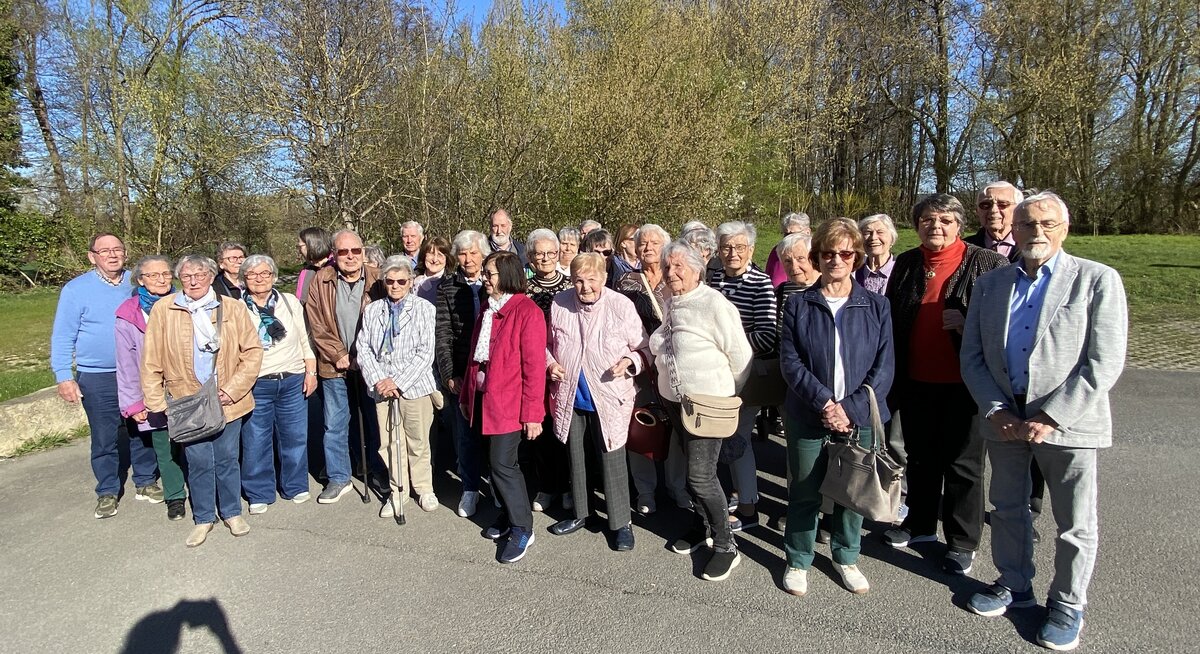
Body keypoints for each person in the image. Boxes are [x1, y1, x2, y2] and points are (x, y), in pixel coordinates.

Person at [960, 192, 1127, 651]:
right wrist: (996, 409)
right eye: (1028, 224)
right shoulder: (992, 285)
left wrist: (1052, 416)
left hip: (1069, 423)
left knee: (1074, 522)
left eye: (1047, 224)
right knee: (1009, 510)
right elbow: (972, 356)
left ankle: (1068, 603)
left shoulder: (1096, 280)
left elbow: (1104, 362)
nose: (1037, 233)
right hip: (1006, 420)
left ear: (1064, 228)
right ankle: (1014, 583)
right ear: (1013, 230)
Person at [883, 193, 1008, 575]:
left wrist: (966, 322)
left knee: (963, 465)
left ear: (958, 225)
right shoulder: (905, 263)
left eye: (944, 221)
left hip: (966, 384)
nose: (935, 227)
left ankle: (961, 540)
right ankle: (919, 524)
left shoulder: (988, 263)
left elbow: (1002, 325)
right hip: (916, 378)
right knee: (920, 457)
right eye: (926, 220)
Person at [778, 218, 894, 596]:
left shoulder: (876, 305)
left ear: (857, 258)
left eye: (845, 253)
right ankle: (798, 558)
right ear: (817, 258)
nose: (836, 260)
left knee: (851, 492)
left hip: (858, 415)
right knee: (805, 488)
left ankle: (846, 556)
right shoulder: (798, 304)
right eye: (828, 253)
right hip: (809, 414)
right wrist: (825, 403)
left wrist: (850, 407)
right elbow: (790, 362)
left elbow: (884, 365)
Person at [141, 254, 263, 547]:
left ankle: (232, 512)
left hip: (227, 399)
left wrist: (232, 389)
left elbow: (253, 351)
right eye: (186, 276)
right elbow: (151, 358)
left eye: (200, 275)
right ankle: (204, 517)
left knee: (227, 458)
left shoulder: (231, 308)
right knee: (197, 461)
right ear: (179, 279)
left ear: (211, 276)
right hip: (186, 401)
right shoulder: (164, 309)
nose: (193, 281)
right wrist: (156, 400)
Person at [650, 241, 752, 582]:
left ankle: (726, 545)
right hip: (676, 403)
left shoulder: (713, 304)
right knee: (693, 472)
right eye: (668, 267)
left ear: (697, 270)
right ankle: (701, 525)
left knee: (700, 476)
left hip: (707, 404)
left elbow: (740, 357)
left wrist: (725, 395)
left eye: (680, 266)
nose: (672, 272)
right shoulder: (671, 301)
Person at [51, 232, 161, 519]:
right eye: (105, 251)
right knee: (104, 435)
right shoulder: (76, 290)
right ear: (92, 256)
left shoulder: (137, 282)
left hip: (139, 370)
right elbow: (63, 335)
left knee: (143, 428)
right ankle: (108, 490)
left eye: (118, 250)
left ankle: (146, 481)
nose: (112, 255)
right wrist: (64, 376)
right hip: (98, 375)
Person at [545, 253, 647, 551]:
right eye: (578, 280)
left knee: (611, 458)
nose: (585, 287)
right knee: (575, 457)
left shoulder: (620, 305)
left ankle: (620, 524)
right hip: (571, 393)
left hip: (608, 394)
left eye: (591, 280)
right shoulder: (560, 303)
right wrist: (550, 364)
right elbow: (547, 345)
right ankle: (581, 513)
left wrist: (629, 360)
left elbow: (644, 348)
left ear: (604, 278)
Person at [459, 251, 547, 564]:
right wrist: (468, 398)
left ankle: (523, 527)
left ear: (507, 275)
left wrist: (533, 414)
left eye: (490, 274)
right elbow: (475, 355)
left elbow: (534, 367)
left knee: (503, 465)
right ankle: (508, 515)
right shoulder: (487, 307)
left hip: (509, 403)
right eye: (485, 273)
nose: (485, 278)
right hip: (484, 397)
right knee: (492, 463)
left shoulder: (527, 311)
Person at [304, 229, 385, 504]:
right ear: (334, 254)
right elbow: (316, 323)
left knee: (374, 422)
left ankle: (376, 470)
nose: (350, 257)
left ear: (363, 252)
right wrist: (338, 354)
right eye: (343, 252)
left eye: (356, 251)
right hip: (334, 365)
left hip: (370, 365)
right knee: (335, 423)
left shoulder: (378, 277)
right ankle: (339, 477)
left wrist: (366, 356)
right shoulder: (321, 280)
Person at [357, 256, 441, 518]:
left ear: (410, 281)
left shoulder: (424, 308)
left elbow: (425, 352)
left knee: (417, 440)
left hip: (414, 387)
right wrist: (379, 379)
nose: (395, 286)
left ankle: (424, 488)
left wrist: (398, 382)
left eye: (401, 281)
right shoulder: (373, 310)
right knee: (389, 442)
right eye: (390, 281)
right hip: (381, 387)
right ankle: (398, 490)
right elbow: (364, 349)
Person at [708, 221, 776, 530]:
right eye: (726, 247)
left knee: (738, 439)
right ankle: (733, 494)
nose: (732, 253)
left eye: (739, 247)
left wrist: (724, 349)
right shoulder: (714, 281)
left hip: (744, 377)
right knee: (720, 439)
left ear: (750, 250)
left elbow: (766, 335)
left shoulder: (761, 284)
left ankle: (749, 506)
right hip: (713, 376)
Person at [615, 223, 688, 513]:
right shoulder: (625, 281)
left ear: (666, 246)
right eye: (642, 243)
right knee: (641, 423)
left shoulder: (677, 278)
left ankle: (678, 487)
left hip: (674, 363)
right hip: (641, 364)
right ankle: (645, 490)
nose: (647, 248)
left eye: (654, 243)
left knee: (677, 427)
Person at [239, 255, 318, 514]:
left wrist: (311, 371)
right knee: (256, 438)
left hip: (292, 378)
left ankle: (294, 485)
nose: (259, 279)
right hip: (256, 382)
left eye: (265, 273)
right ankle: (259, 491)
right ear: (244, 279)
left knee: (294, 436)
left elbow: (305, 338)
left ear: (273, 276)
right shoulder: (236, 307)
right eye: (252, 275)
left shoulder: (289, 301)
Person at [114, 255, 187, 521]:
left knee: (194, 443)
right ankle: (175, 496)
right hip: (154, 391)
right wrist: (134, 404)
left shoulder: (184, 302)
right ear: (141, 280)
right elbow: (126, 364)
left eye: (166, 274)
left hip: (187, 388)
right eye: (153, 275)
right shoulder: (129, 314)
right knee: (164, 447)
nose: (161, 280)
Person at [435, 230, 492, 517]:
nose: (468, 259)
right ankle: (469, 488)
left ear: (482, 254)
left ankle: (496, 484)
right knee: (467, 435)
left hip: (494, 372)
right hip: (462, 373)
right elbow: (443, 334)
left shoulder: (494, 282)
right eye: (462, 253)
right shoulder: (447, 287)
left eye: (473, 253)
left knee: (494, 433)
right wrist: (449, 374)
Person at [524, 229, 573, 512]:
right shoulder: (524, 289)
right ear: (530, 257)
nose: (545, 259)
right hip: (534, 368)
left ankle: (568, 486)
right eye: (538, 254)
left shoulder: (569, 287)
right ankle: (546, 487)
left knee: (565, 430)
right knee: (539, 430)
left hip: (564, 367)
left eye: (550, 253)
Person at [965, 181, 1024, 263]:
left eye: (1002, 204)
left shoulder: (1032, 244)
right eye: (985, 205)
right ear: (977, 211)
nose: (993, 210)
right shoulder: (964, 249)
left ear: (1017, 210)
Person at [765, 212, 812, 287]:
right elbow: (773, 281)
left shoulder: (818, 252)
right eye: (786, 234)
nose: (788, 238)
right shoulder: (778, 251)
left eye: (794, 234)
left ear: (807, 232)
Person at [856, 214, 898, 295]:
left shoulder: (902, 270)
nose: (873, 237)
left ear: (892, 239)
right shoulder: (853, 272)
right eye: (867, 232)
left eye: (880, 232)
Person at [296, 227, 332, 304]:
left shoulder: (336, 268)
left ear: (312, 245)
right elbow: (301, 302)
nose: (299, 252)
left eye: (300, 247)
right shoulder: (306, 272)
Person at [415, 236, 452, 303]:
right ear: (424, 255)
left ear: (447, 259)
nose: (435, 260)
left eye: (440, 255)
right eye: (431, 254)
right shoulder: (413, 281)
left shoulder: (452, 284)